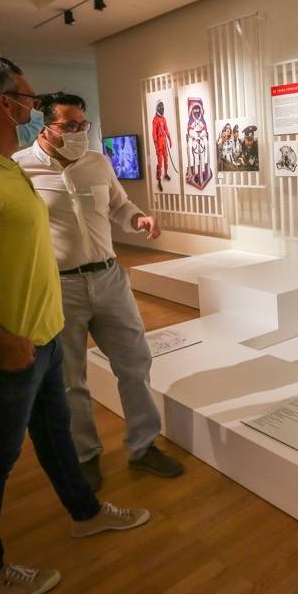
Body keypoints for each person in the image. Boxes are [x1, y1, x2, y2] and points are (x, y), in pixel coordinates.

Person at [0, 58, 149, 594]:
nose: (33, 106)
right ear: (7, 104)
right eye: (28, 97)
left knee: (55, 435)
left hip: (40, 334)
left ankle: (85, 514)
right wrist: (2, 342)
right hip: (5, 351)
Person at [14, 92, 184, 491]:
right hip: (60, 285)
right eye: (68, 125)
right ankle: (85, 455)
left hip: (109, 278)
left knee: (135, 363)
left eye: (82, 125)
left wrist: (138, 219)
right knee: (70, 378)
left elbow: (119, 205)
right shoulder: (19, 169)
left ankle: (143, 445)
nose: (78, 132)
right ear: (44, 126)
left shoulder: (97, 163)